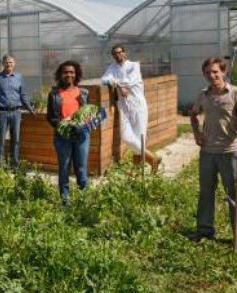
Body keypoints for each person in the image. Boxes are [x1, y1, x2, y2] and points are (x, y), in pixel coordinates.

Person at [188, 57, 237, 251]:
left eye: (215, 72)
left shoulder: (236, 92)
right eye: (208, 73)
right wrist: (197, 133)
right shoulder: (203, 95)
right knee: (206, 192)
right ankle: (204, 230)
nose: (212, 76)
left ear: (223, 72)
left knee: (236, 194)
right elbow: (193, 114)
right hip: (207, 152)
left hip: (230, 151)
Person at [101, 43, 162, 175]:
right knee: (127, 137)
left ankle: (136, 172)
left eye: (119, 52)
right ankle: (153, 158)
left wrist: (116, 82)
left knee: (140, 137)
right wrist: (117, 84)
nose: (118, 55)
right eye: (115, 53)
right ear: (112, 56)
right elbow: (104, 79)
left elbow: (129, 81)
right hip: (123, 107)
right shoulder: (112, 67)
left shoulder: (134, 65)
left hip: (137, 105)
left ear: (124, 53)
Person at [46, 60, 90, 205]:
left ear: (76, 74)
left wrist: (86, 122)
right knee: (64, 169)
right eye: (65, 72)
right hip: (63, 137)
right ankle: (65, 201)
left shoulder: (83, 93)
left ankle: (84, 201)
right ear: (61, 74)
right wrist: (63, 125)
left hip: (81, 136)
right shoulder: (54, 94)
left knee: (81, 168)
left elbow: (87, 114)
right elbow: (51, 117)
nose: (69, 75)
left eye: (71, 72)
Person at [0, 55, 35, 171]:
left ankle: (14, 166)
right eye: (7, 62)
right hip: (2, 113)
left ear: (14, 64)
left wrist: (30, 109)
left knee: (16, 140)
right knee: (1, 140)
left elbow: (22, 95)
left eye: (11, 62)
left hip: (16, 113)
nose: (9, 64)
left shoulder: (18, 77)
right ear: (3, 63)